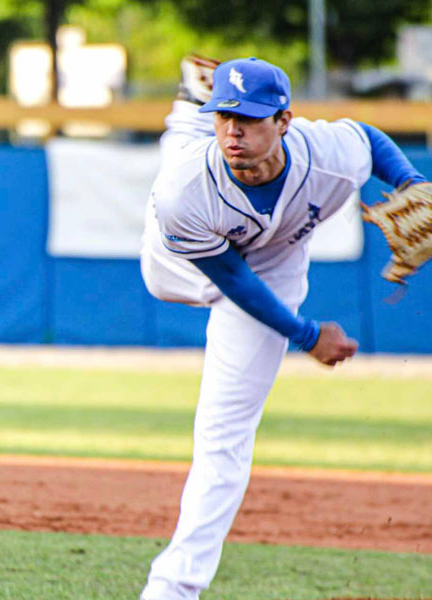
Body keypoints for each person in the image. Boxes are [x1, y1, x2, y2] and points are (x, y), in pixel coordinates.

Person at [138, 56, 428, 600]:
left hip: (276, 264)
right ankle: (188, 114)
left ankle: (171, 590)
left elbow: (365, 137)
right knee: (180, 164)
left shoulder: (326, 155)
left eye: (247, 118)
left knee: (223, 437)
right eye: (224, 115)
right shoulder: (185, 194)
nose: (235, 130)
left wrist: (412, 180)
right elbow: (230, 281)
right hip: (183, 258)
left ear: (284, 120)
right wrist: (306, 334)